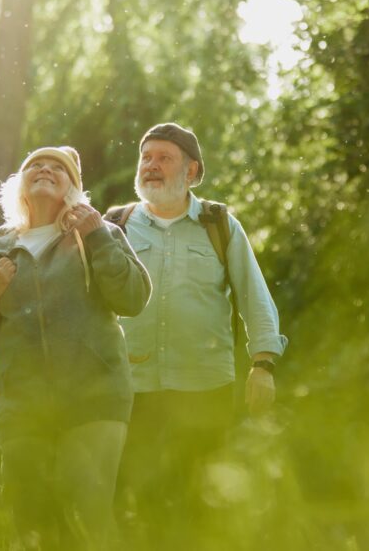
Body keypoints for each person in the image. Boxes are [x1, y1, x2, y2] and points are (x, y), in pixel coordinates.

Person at [0, 145, 151, 549]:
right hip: (24, 405)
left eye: (57, 168)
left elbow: (132, 298)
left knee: (84, 515)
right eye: (35, 166)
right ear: (21, 186)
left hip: (94, 398)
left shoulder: (99, 233)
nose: (45, 170)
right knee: (32, 521)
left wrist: (96, 236)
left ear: (73, 187)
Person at [111, 123, 288, 536]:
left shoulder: (220, 225)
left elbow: (254, 296)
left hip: (204, 388)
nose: (151, 166)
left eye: (164, 158)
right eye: (146, 157)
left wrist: (263, 364)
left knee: (199, 505)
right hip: (129, 387)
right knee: (130, 504)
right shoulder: (114, 225)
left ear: (191, 171)